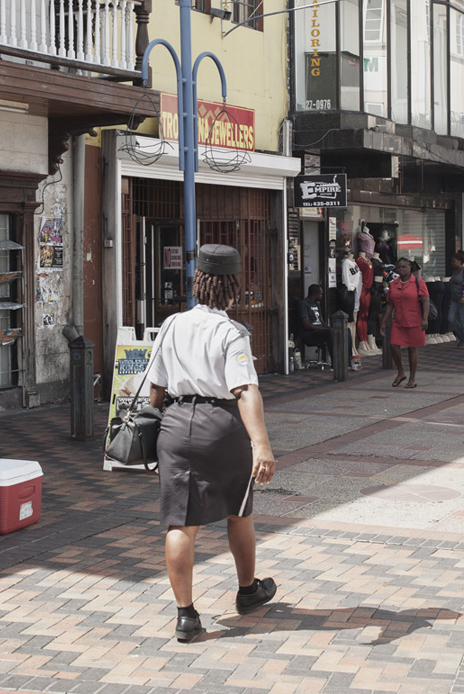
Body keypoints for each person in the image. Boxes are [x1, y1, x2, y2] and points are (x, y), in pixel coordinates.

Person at [148, 244, 276, 643]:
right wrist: (262, 444)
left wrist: (157, 426)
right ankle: (247, 590)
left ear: (197, 283)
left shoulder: (171, 325)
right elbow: (244, 391)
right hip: (221, 426)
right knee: (238, 514)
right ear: (233, 287)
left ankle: (186, 615)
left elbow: (155, 387)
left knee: (180, 523)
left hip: (175, 424)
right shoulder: (230, 332)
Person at [380, 257, 429, 389]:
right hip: (398, 320)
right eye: (399, 267)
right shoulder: (393, 284)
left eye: (404, 267)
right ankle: (401, 372)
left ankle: (412, 378)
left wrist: (425, 318)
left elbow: (425, 300)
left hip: (414, 320)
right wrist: (384, 322)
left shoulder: (418, 283)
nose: (401, 269)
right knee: (394, 345)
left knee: (412, 348)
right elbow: (390, 304)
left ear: (410, 268)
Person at [296, 284, 336, 364]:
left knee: (345, 331)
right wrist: (323, 329)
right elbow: (306, 325)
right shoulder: (303, 304)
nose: (322, 296)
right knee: (329, 332)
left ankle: (347, 360)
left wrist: (330, 327)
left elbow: (322, 322)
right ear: (315, 294)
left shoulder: (317, 304)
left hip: (320, 331)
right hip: (309, 333)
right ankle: (335, 362)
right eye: (320, 294)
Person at [447, 250, 464, 348]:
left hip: (463, 298)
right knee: (451, 318)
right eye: (452, 262)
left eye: (454, 261)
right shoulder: (454, 271)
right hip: (454, 299)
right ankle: (462, 336)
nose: (452, 264)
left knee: (463, 320)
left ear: (460, 261)